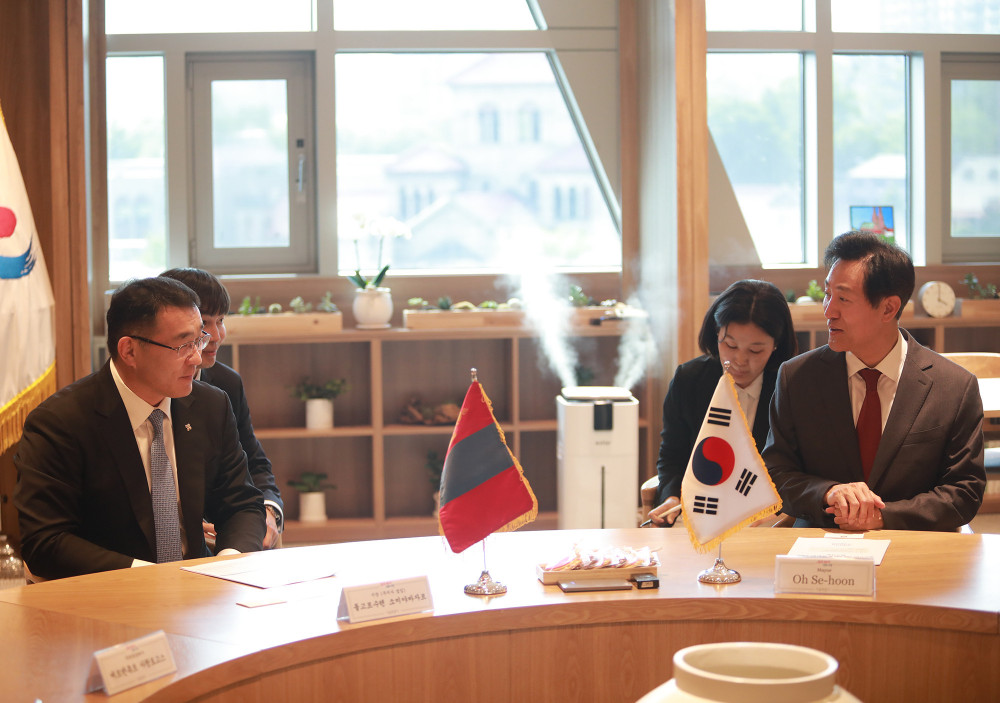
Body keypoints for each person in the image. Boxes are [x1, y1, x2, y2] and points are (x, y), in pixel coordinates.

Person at [14, 277, 266, 579]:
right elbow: (45, 541)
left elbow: (242, 504)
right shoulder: (61, 422)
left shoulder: (211, 406)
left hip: (200, 587)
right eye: (183, 345)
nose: (197, 358)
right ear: (129, 351)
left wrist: (226, 563)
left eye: (199, 339)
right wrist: (149, 578)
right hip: (110, 592)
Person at [763, 231, 986, 531]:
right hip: (820, 541)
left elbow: (964, 491)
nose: (828, 311)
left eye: (843, 298)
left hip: (913, 543)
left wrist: (883, 516)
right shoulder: (797, 377)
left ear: (888, 308)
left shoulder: (954, 387)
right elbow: (776, 473)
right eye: (828, 294)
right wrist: (828, 493)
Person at [647, 279, 797, 526]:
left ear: (776, 345)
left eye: (755, 350)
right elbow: (673, 457)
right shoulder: (690, 380)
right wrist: (671, 497)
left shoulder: (790, 385)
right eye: (730, 345)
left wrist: (781, 511)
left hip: (767, 520)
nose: (739, 360)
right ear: (716, 333)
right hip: (702, 514)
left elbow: (798, 468)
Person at [160, 267, 284, 549]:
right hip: (166, 535)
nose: (216, 335)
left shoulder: (226, 383)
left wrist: (268, 511)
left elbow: (253, 462)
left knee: (266, 538)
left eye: (221, 321)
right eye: (204, 323)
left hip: (225, 525)